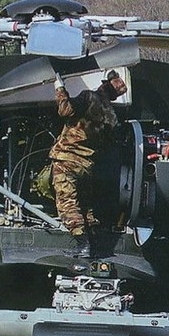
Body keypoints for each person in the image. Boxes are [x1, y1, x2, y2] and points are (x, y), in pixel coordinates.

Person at [50, 70, 128, 257]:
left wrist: (59, 88)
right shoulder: (111, 115)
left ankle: (82, 246)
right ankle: (95, 244)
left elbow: (65, 110)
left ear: (103, 84)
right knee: (85, 207)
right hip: (87, 166)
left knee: (67, 204)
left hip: (67, 160)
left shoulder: (89, 97)